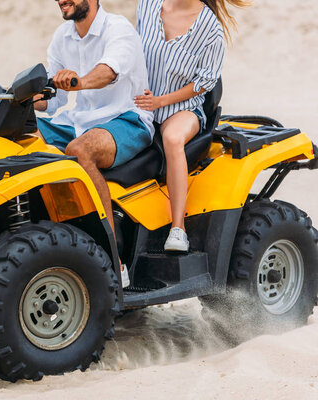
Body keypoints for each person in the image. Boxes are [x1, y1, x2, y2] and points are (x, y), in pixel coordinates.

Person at [34, 1, 154, 281]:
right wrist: (23, 98)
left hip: (127, 118)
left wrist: (78, 81)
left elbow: (107, 73)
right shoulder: (62, 37)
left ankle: (113, 261)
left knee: (79, 151)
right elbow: (55, 100)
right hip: (80, 120)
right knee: (20, 137)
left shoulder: (118, 28)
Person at [134, 0, 247, 252]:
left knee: (173, 139)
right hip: (141, 103)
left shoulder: (210, 29)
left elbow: (204, 83)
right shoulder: (148, 5)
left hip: (183, 108)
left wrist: (160, 101)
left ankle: (178, 229)